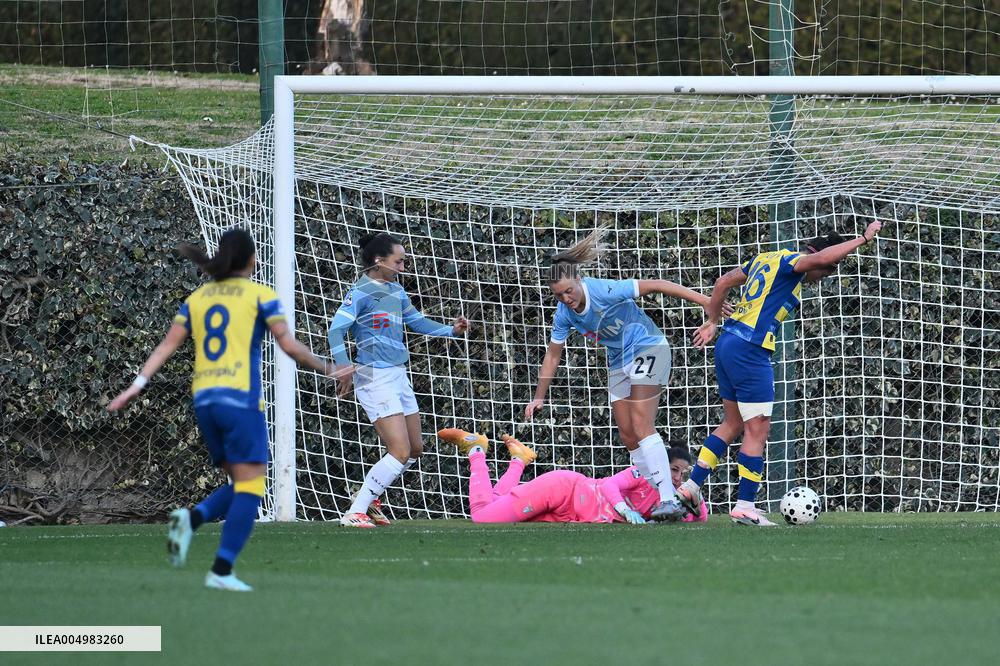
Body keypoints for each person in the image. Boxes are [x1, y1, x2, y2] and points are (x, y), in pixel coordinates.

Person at [108, 228, 338, 591]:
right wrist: (330, 368)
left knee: (242, 482)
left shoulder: (198, 298)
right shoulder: (261, 295)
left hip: (205, 401)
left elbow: (166, 347)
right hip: (240, 400)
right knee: (252, 487)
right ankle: (221, 570)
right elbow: (290, 347)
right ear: (251, 259)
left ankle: (190, 519)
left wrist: (134, 388)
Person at [678, 221, 882, 526]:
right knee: (757, 430)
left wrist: (712, 321)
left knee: (732, 422)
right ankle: (744, 505)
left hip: (728, 343)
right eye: (826, 273)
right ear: (817, 258)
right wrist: (863, 239)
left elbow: (721, 283)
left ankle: (691, 487)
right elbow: (823, 259)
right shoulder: (792, 263)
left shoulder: (765, 258)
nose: (820, 279)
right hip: (750, 349)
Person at [524, 225, 729, 521]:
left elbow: (657, 284)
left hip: (649, 347)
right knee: (628, 434)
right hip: (619, 360)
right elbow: (553, 353)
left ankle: (670, 499)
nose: (566, 298)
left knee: (641, 422)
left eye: (569, 290)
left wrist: (708, 303)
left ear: (579, 280)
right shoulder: (563, 314)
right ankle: (657, 496)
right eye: (559, 295)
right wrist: (538, 397)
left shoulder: (604, 290)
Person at [329, 232, 470, 528]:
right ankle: (356, 511)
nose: (403, 267)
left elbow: (416, 321)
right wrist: (343, 365)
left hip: (398, 375)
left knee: (415, 449)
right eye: (399, 261)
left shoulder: (397, 292)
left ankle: (372, 496)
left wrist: (451, 330)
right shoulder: (360, 292)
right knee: (400, 451)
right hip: (373, 376)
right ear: (379, 261)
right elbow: (335, 331)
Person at [439, 428, 708, 524]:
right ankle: (476, 449)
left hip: (567, 512)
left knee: (498, 501)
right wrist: (625, 510)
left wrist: (695, 497)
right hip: (563, 489)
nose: (676, 477)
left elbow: (699, 518)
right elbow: (612, 485)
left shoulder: (669, 501)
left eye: (683, 473)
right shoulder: (646, 473)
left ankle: (519, 460)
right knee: (483, 516)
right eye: (673, 469)